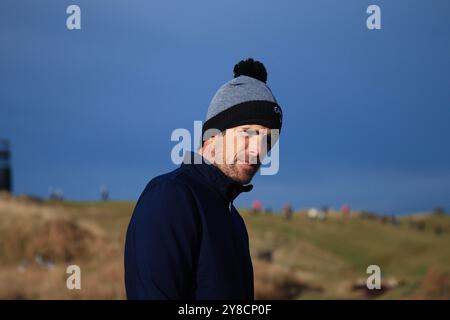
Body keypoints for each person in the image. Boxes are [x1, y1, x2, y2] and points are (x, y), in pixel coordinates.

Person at [124, 58, 283, 299]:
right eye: (247, 134)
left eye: (267, 140)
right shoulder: (171, 197)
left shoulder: (234, 221)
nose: (258, 150)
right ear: (213, 135)